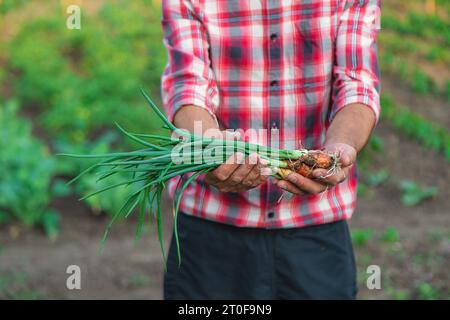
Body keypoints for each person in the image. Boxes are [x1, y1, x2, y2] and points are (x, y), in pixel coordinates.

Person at [160, 0, 381, 299]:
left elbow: (358, 82)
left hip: (315, 228)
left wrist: (339, 148)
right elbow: (188, 85)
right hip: (209, 231)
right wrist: (211, 150)